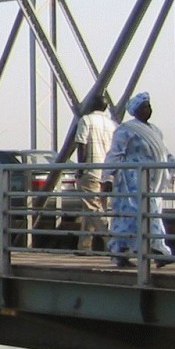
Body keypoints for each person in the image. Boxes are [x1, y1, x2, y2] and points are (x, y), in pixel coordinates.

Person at [107, 90, 175, 268]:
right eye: (144, 107)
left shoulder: (155, 131)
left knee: (143, 216)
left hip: (152, 181)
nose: (148, 109)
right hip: (131, 182)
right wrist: (107, 178)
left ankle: (123, 253)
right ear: (136, 110)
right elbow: (115, 154)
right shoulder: (126, 130)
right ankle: (158, 252)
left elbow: (165, 154)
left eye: (149, 106)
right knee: (140, 216)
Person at [72, 90, 118, 253]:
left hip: (91, 170)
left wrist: (80, 168)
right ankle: (84, 246)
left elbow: (81, 144)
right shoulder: (113, 125)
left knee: (93, 208)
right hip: (107, 172)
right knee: (92, 209)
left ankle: (113, 243)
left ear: (91, 105)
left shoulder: (86, 120)